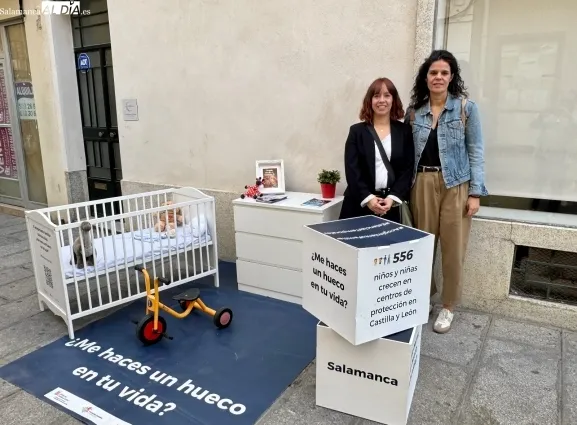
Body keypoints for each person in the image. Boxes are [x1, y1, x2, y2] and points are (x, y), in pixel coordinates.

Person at [405, 50, 488, 334]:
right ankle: (424, 298)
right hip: (421, 183)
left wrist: (475, 193)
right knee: (422, 245)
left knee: (453, 249)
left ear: (452, 77)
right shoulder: (414, 112)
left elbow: (476, 151)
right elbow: (405, 154)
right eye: (433, 72)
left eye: (444, 72)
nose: (438, 77)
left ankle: (449, 305)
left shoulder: (466, 108)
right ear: (425, 77)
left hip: (456, 185)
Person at [339, 77, 415, 223]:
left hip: (390, 206)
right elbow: (352, 169)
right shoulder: (356, 131)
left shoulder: (404, 131)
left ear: (393, 100)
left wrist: (392, 198)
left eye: (387, 95)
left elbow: (407, 169)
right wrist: (368, 199)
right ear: (370, 100)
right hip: (359, 204)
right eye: (376, 96)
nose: (382, 100)